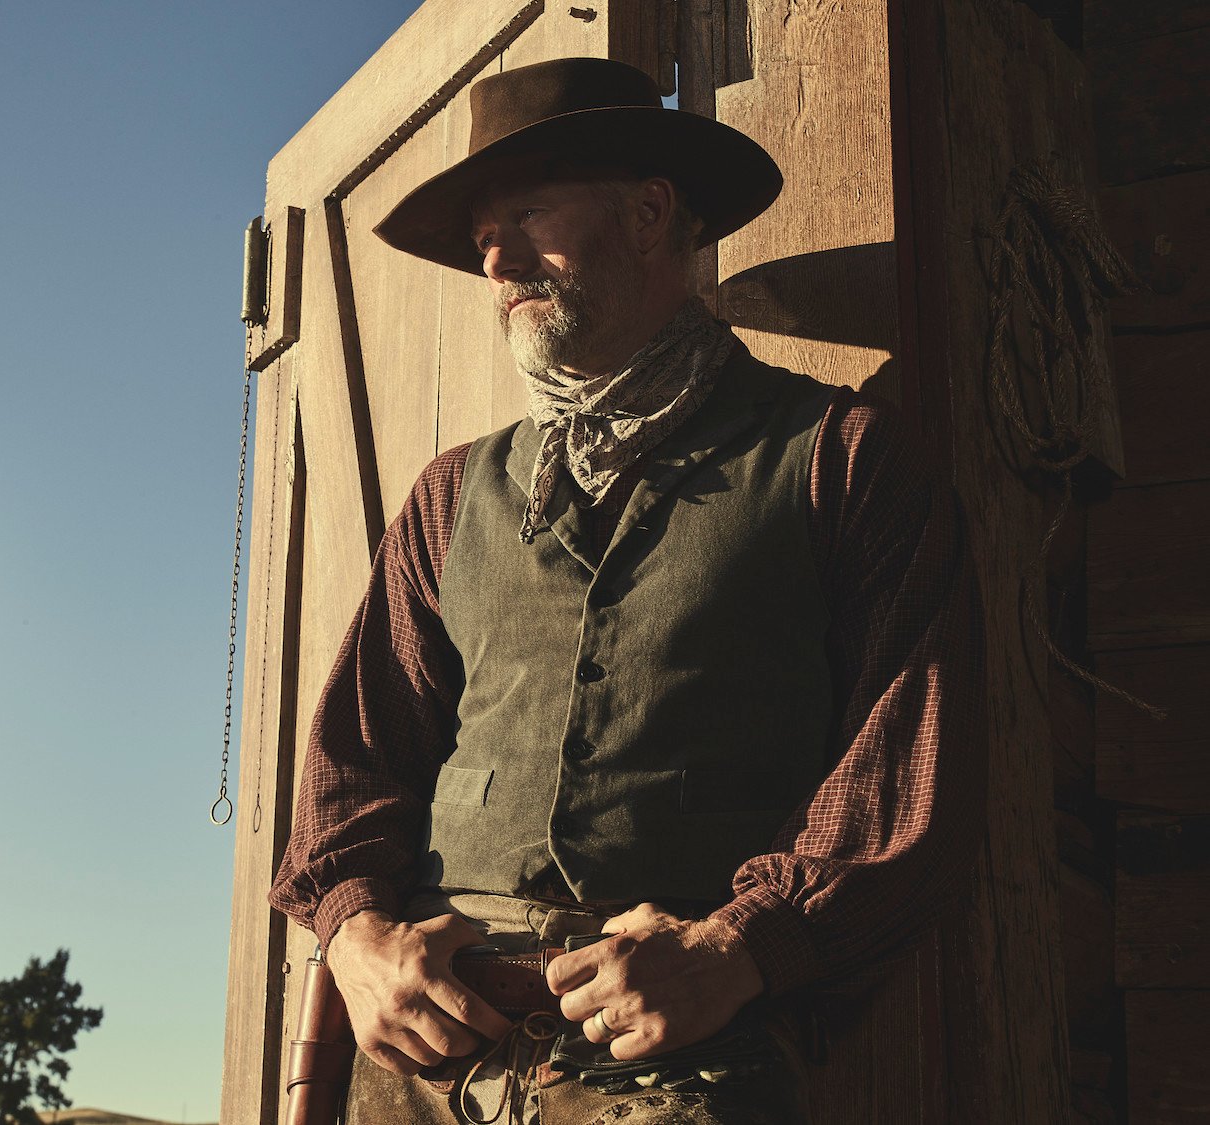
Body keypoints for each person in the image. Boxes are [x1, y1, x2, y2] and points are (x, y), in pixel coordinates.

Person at [269, 56, 984, 1125]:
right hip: (423, 1066)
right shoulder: (449, 496)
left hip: (680, 1059)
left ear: (651, 213)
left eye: (529, 216)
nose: (498, 259)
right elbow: (354, 765)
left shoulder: (842, 460)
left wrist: (735, 951)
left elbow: (903, 778)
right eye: (482, 240)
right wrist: (358, 935)